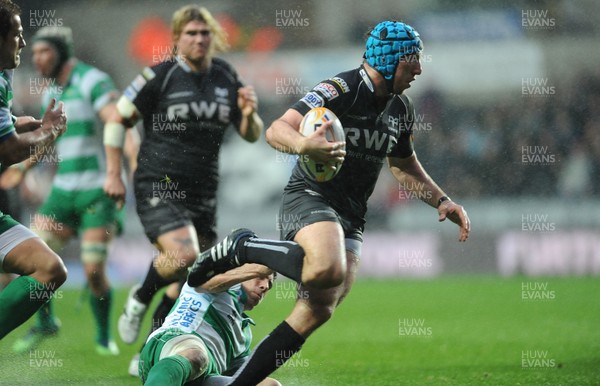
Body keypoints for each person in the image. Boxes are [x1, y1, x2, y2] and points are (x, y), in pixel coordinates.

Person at [188, 20, 471, 385]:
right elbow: (277, 129)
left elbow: (403, 165)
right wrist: (305, 145)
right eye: (411, 60)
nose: (418, 68)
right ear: (387, 59)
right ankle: (243, 247)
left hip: (352, 215)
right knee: (328, 269)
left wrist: (441, 200)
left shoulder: (401, 109)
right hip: (309, 197)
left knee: (320, 307)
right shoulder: (341, 88)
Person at [102, 4, 264, 367]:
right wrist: (113, 173)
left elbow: (251, 135)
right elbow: (117, 121)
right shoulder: (159, 76)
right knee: (186, 255)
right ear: (176, 39)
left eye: (205, 33)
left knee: (191, 279)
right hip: (158, 182)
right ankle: (140, 298)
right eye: (191, 33)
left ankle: (151, 346)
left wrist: (251, 114)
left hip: (203, 191)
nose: (199, 39)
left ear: (214, 37)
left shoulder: (226, 76)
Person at [7, 25, 139, 355]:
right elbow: (47, 138)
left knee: (94, 269)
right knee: (36, 256)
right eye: (33, 52)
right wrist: (22, 170)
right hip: (63, 191)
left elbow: (117, 121)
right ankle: (46, 322)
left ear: (62, 52)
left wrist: (126, 169)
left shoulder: (93, 80)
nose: (36, 59)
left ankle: (103, 336)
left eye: (44, 52)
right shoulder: (52, 91)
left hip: (97, 190)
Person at [0, 0, 68, 340]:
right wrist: (48, 133)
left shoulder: (3, 74)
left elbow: (6, 126)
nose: (23, 44)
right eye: (17, 35)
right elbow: (8, 150)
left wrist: (35, 125)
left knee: (49, 268)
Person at [139, 265, 279, 386]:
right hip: (168, 347)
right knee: (196, 355)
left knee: (271, 385)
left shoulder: (244, 334)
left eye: (269, 284)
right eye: (260, 276)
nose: (265, 286)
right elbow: (201, 277)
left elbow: (243, 376)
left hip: (201, 377)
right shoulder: (215, 286)